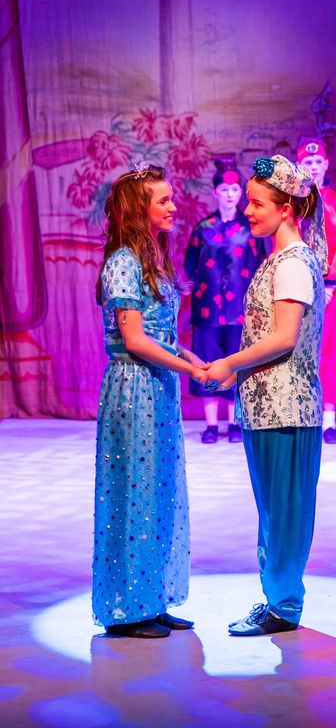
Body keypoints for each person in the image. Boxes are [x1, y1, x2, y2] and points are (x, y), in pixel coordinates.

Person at [203, 155, 327, 637]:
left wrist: (231, 363)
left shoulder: (293, 264)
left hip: (286, 407)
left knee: (286, 512)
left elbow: (284, 338)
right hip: (267, 406)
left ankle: (284, 605)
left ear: (285, 209)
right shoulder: (280, 259)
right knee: (274, 511)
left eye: (257, 204)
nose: (248, 211)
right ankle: (277, 599)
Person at [94, 163, 200, 638]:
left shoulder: (151, 259)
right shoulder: (123, 262)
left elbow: (161, 334)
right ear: (141, 210)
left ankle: (151, 596)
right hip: (134, 387)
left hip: (158, 385)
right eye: (164, 200)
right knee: (134, 492)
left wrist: (189, 358)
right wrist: (189, 369)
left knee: (159, 489)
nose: (173, 207)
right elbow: (134, 340)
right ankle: (127, 609)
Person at [184, 165, 267, 444]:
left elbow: (260, 266)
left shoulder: (250, 228)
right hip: (206, 308)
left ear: (240, 193)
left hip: (240, 310)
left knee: (235, 362)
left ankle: (234, 423)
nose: (230, 194)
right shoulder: (203, 229)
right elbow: (190, 267)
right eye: (224, 189)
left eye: (234, 189)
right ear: (215, 193)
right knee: (206, 363)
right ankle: (211, 425)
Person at [297, 138, 336, 445]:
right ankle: (300, 416)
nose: (313, 167)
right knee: (296, 347)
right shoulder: (290, 205)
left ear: (326, 165)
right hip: (296, 288)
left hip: (329, 290)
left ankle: (329, 422)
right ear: (300, 166)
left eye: (317, 162)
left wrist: (332, 284)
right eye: (307, 163)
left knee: (330, 350)